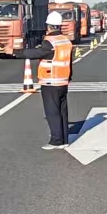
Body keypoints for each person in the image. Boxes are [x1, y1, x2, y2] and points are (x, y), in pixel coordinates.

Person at [17, 11, 74, 148]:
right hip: (63, 81)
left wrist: (15, 52)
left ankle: (56, 140)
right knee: (62, 111)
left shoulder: (49, 42)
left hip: (50, 81)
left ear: (48, 26)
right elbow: (69, 61)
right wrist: (69, 77)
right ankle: (64, 140)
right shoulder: (66, 41)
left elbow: (36, 53)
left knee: (52, 111)